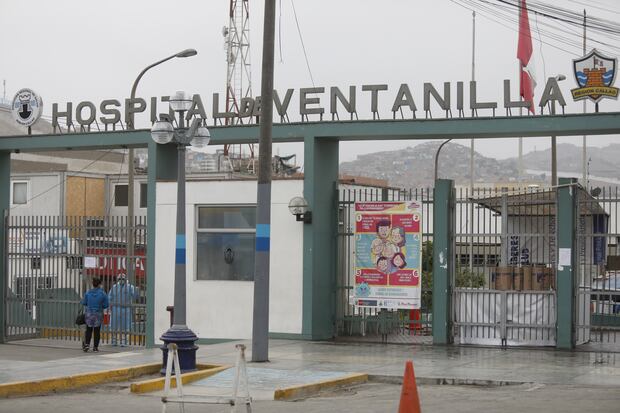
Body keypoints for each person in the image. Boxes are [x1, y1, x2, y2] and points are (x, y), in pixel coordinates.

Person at [108, 273, 139, 346]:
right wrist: (109, 306)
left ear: (125, 279)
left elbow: (135, 296)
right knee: (114, 326)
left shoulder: (130, 287)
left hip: (126, 309)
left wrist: (136, 290)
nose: (121, 280)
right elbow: (109, 297)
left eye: (123, 279)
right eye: (120, 279)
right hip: (115, 309)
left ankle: (124, 341)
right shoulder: (114, 287)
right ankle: (114, 341)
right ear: (118, 279)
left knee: (126, 326)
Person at [80, 277, 109, 352]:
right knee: (97, 331)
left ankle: (87, 345)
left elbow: (84, 302)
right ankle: (95, 347)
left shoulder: (88, 293)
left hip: (89, 314)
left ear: (93, 284)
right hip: (98, 314)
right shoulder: (102, 293)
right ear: (99, 284)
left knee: (88, 330)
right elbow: (106, 305)